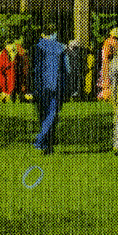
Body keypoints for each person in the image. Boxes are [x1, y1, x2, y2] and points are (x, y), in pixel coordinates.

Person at [31, 26, 71, 155]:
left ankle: (43, 141)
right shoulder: (61, 48)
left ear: (43, 34)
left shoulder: (37, 47)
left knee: (43, 115)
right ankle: (46, 143)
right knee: (52, 115)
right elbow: (67, 69)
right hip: (57, 85)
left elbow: (33, 68)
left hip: (41, 85)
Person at [98, 28, 118, 100]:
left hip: (107, 63)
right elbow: (107, 55)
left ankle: (105, 95)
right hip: (109, 63)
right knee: (108, 79)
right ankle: (105, 95)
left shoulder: (108, 42)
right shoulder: (111, 43)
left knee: (107, 79)